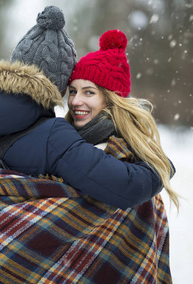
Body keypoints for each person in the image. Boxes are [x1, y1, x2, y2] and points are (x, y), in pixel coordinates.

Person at [0, 6, 169, 284]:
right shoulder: (53, 135)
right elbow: (126, 187)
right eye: (71, 90)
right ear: (56, 86)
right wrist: (159, 167)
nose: (74, 100)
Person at [65, 28, 179, 282]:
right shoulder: (62, 142)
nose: (75, 101)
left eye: (89, 92)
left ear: (111, 100)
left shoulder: (129, 157)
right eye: (73, 91)